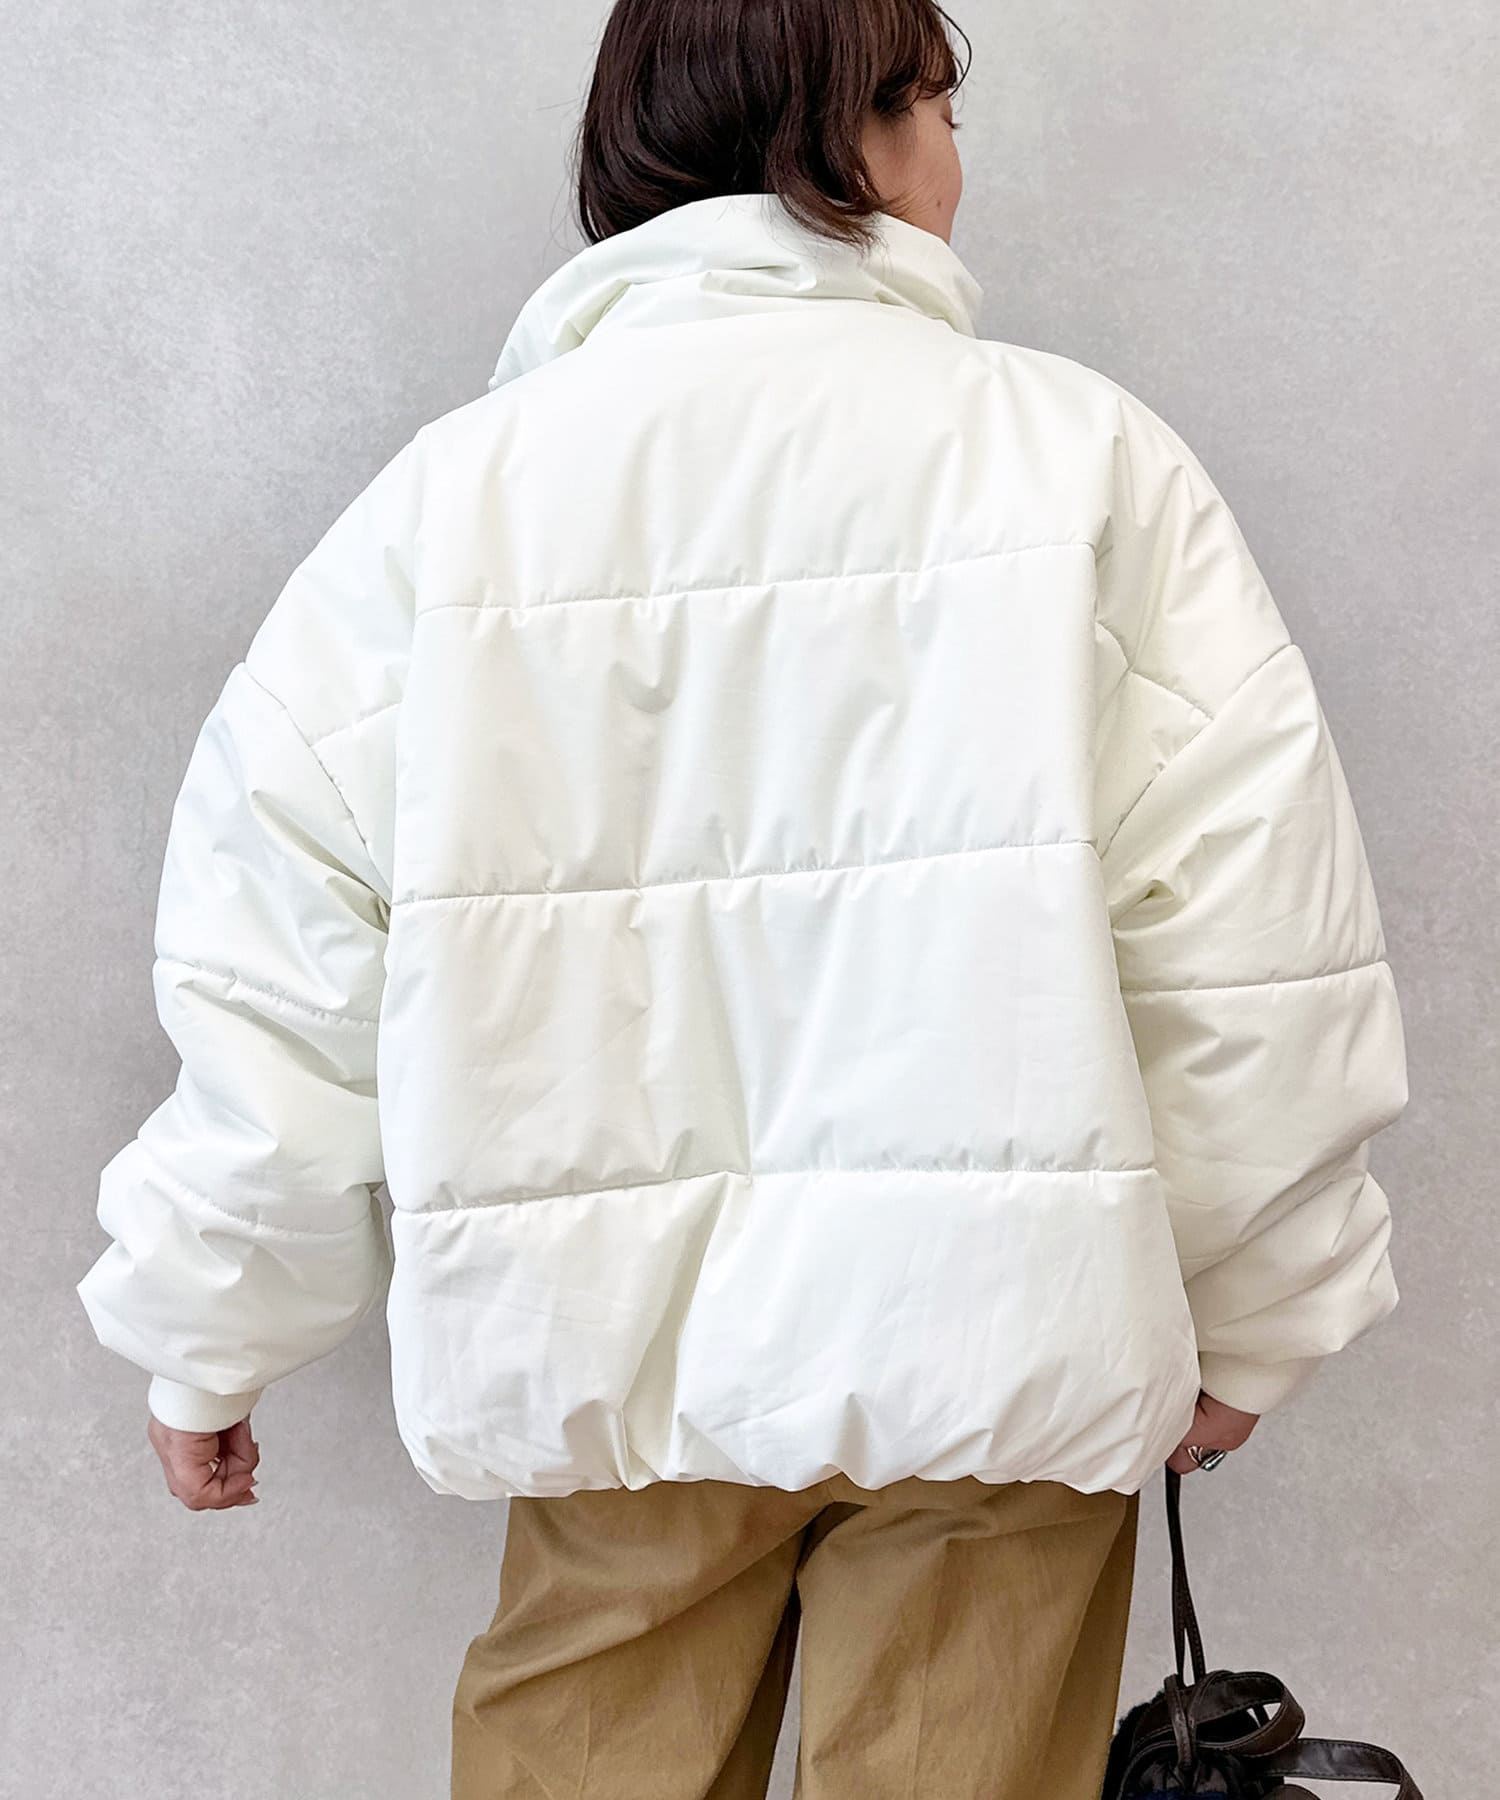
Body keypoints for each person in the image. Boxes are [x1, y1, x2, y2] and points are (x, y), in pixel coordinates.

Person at [75, 2, 1409, 1795]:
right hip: (994, 1362)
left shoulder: (454, 506)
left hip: (613, 1371)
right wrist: (1263, 1309)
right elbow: (1246, 952)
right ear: (854, 132)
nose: (959, 164)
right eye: (941, 111)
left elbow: (283, 967)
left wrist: (207, 1334)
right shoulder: (1083, 461)